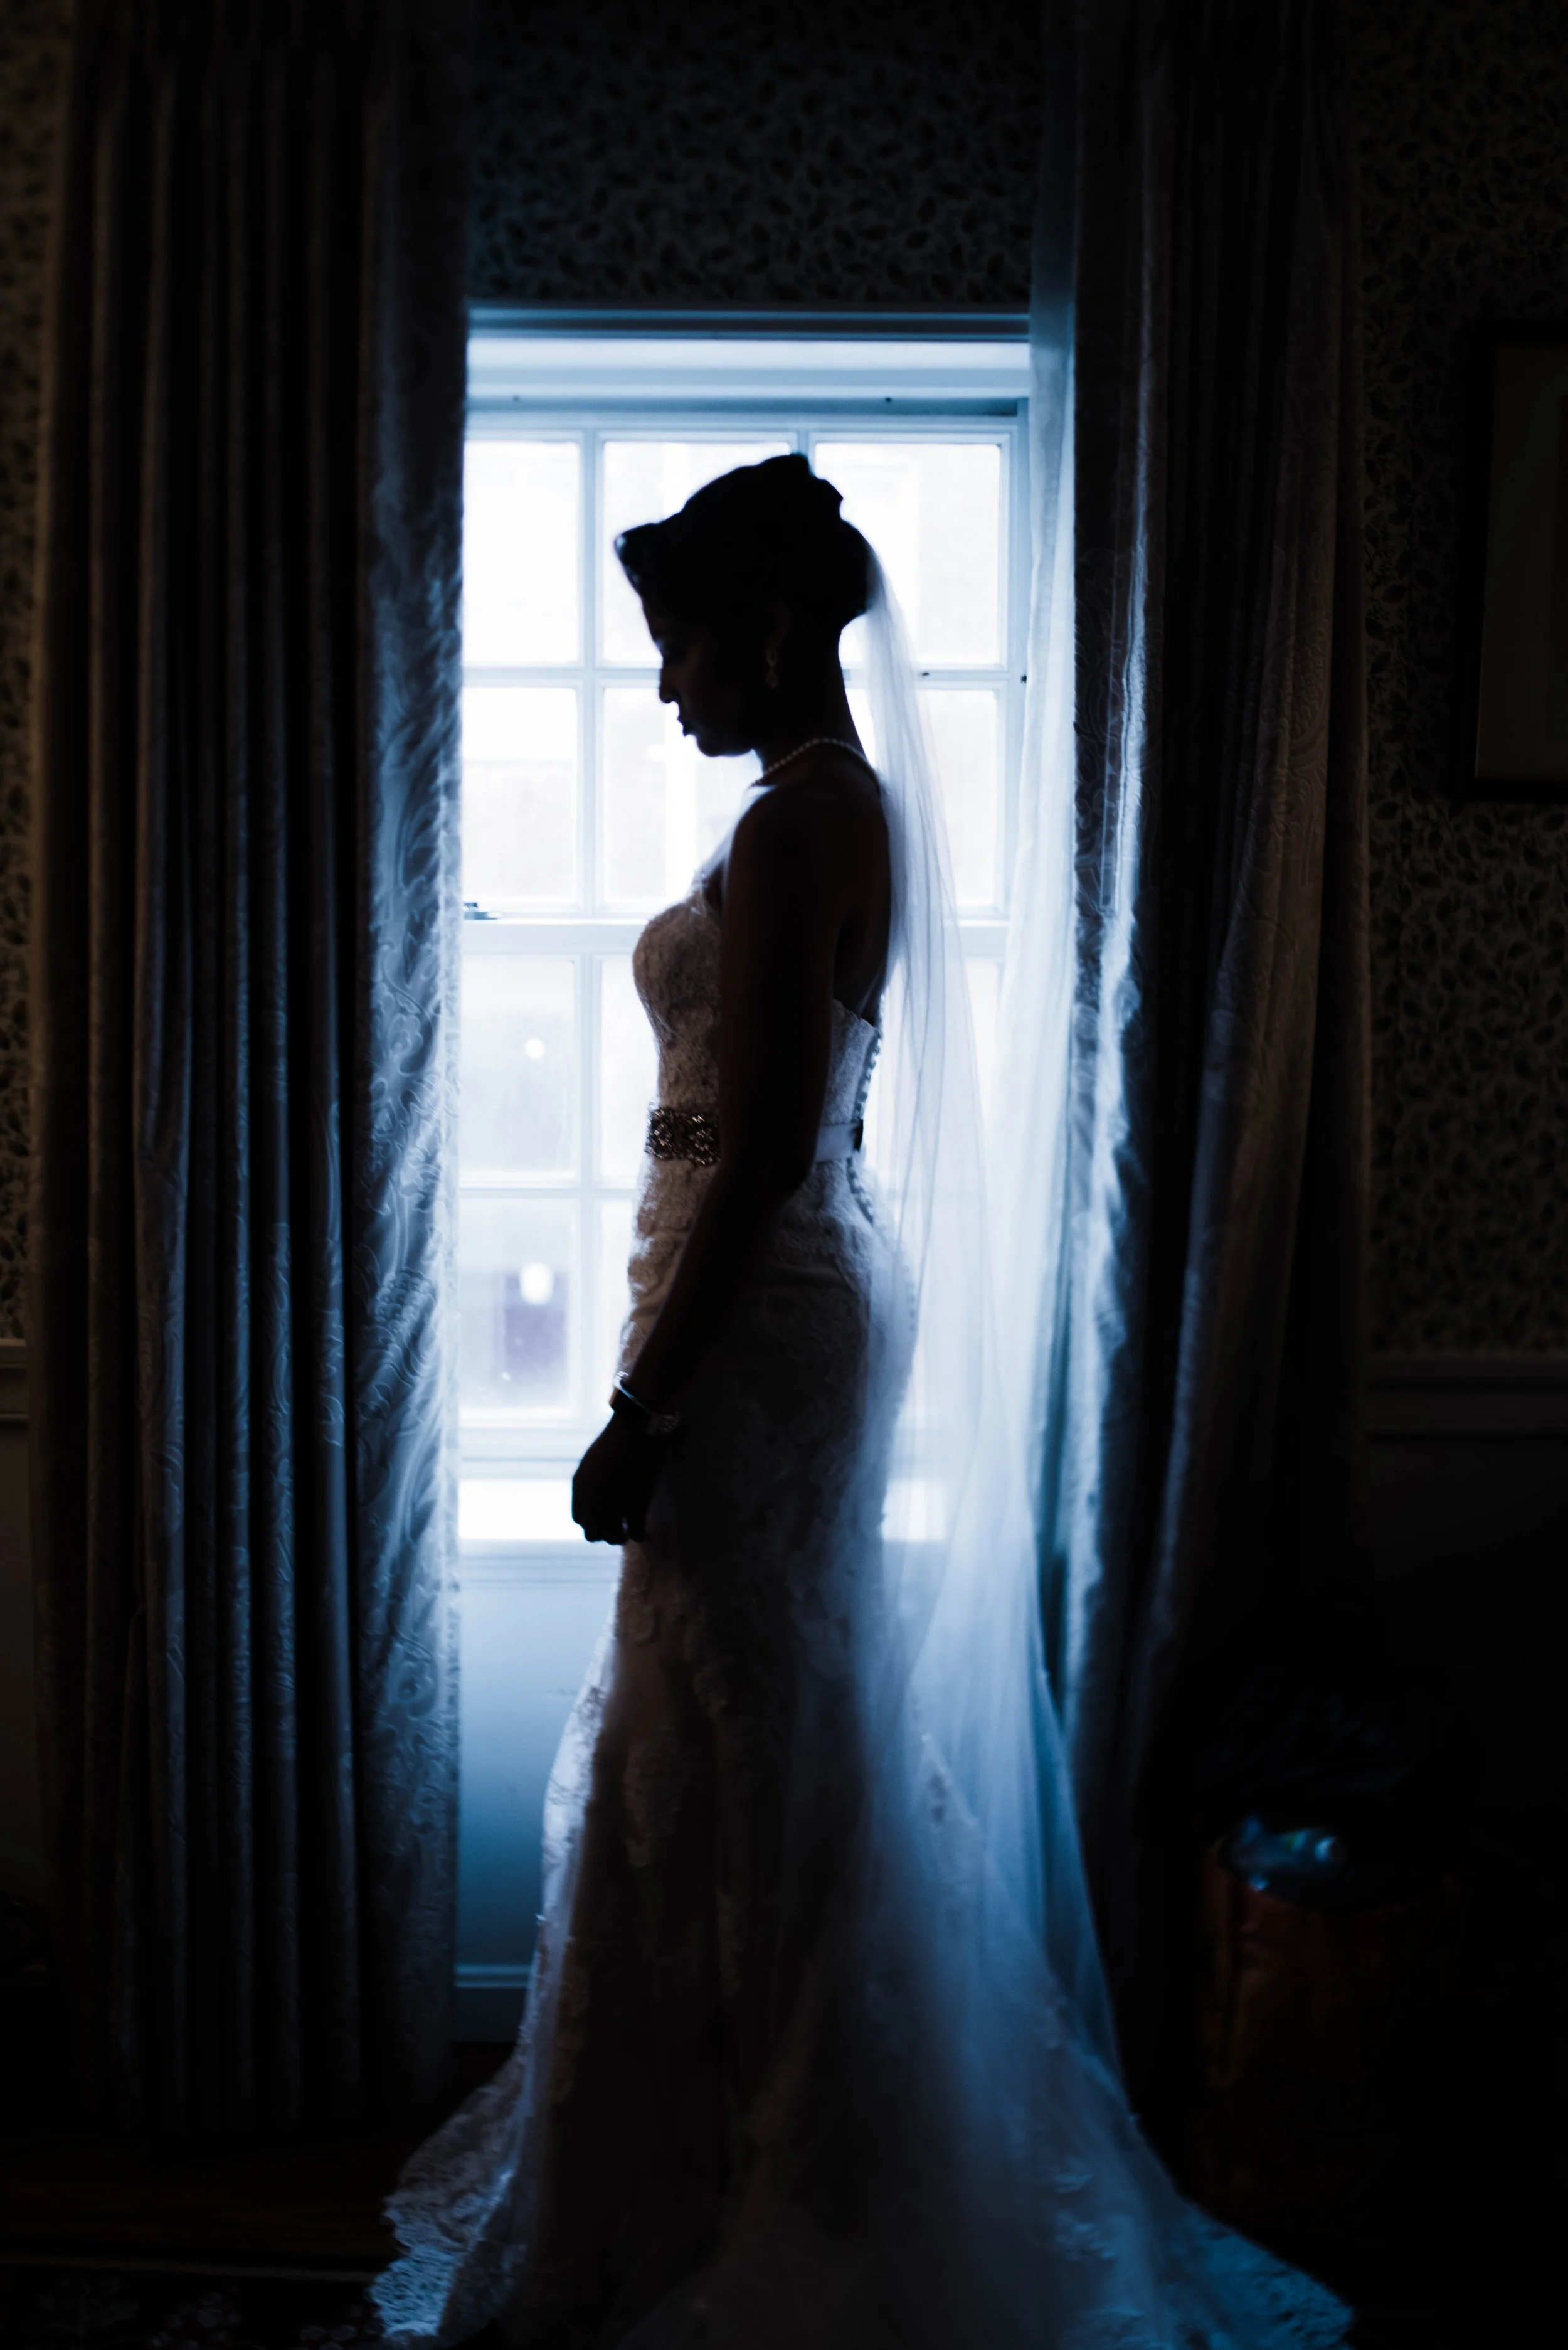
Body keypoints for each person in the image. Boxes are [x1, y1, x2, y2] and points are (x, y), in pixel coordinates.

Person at [373, 456, 1348, 2349]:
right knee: (752, 1733)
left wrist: (645, 1401)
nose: (662, 690)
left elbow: (754, 1161)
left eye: (673, 650)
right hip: (768, 1303)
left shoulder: (799, 828)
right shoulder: (818, 808)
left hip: (757, 1321)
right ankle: (738, 2147)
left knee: (752, 1740)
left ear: (762, 630)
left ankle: (791, 2178)